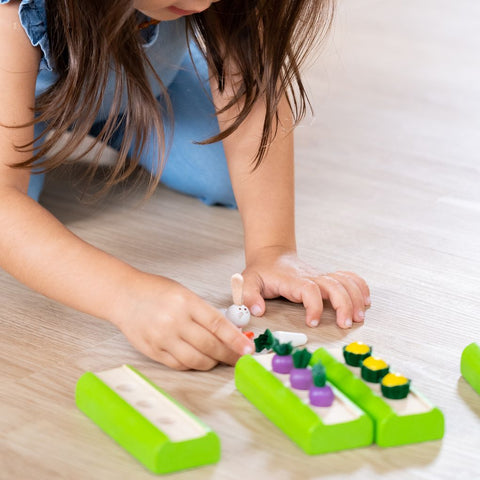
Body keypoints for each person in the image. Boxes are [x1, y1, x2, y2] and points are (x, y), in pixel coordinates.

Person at [0, 0, 371, 371]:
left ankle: (107, 116)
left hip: (139, 85)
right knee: (20, 221)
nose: (201, 3)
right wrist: (127, 297)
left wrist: (273, 252)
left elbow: (252, 91)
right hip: (19, 91)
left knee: (228, 177)